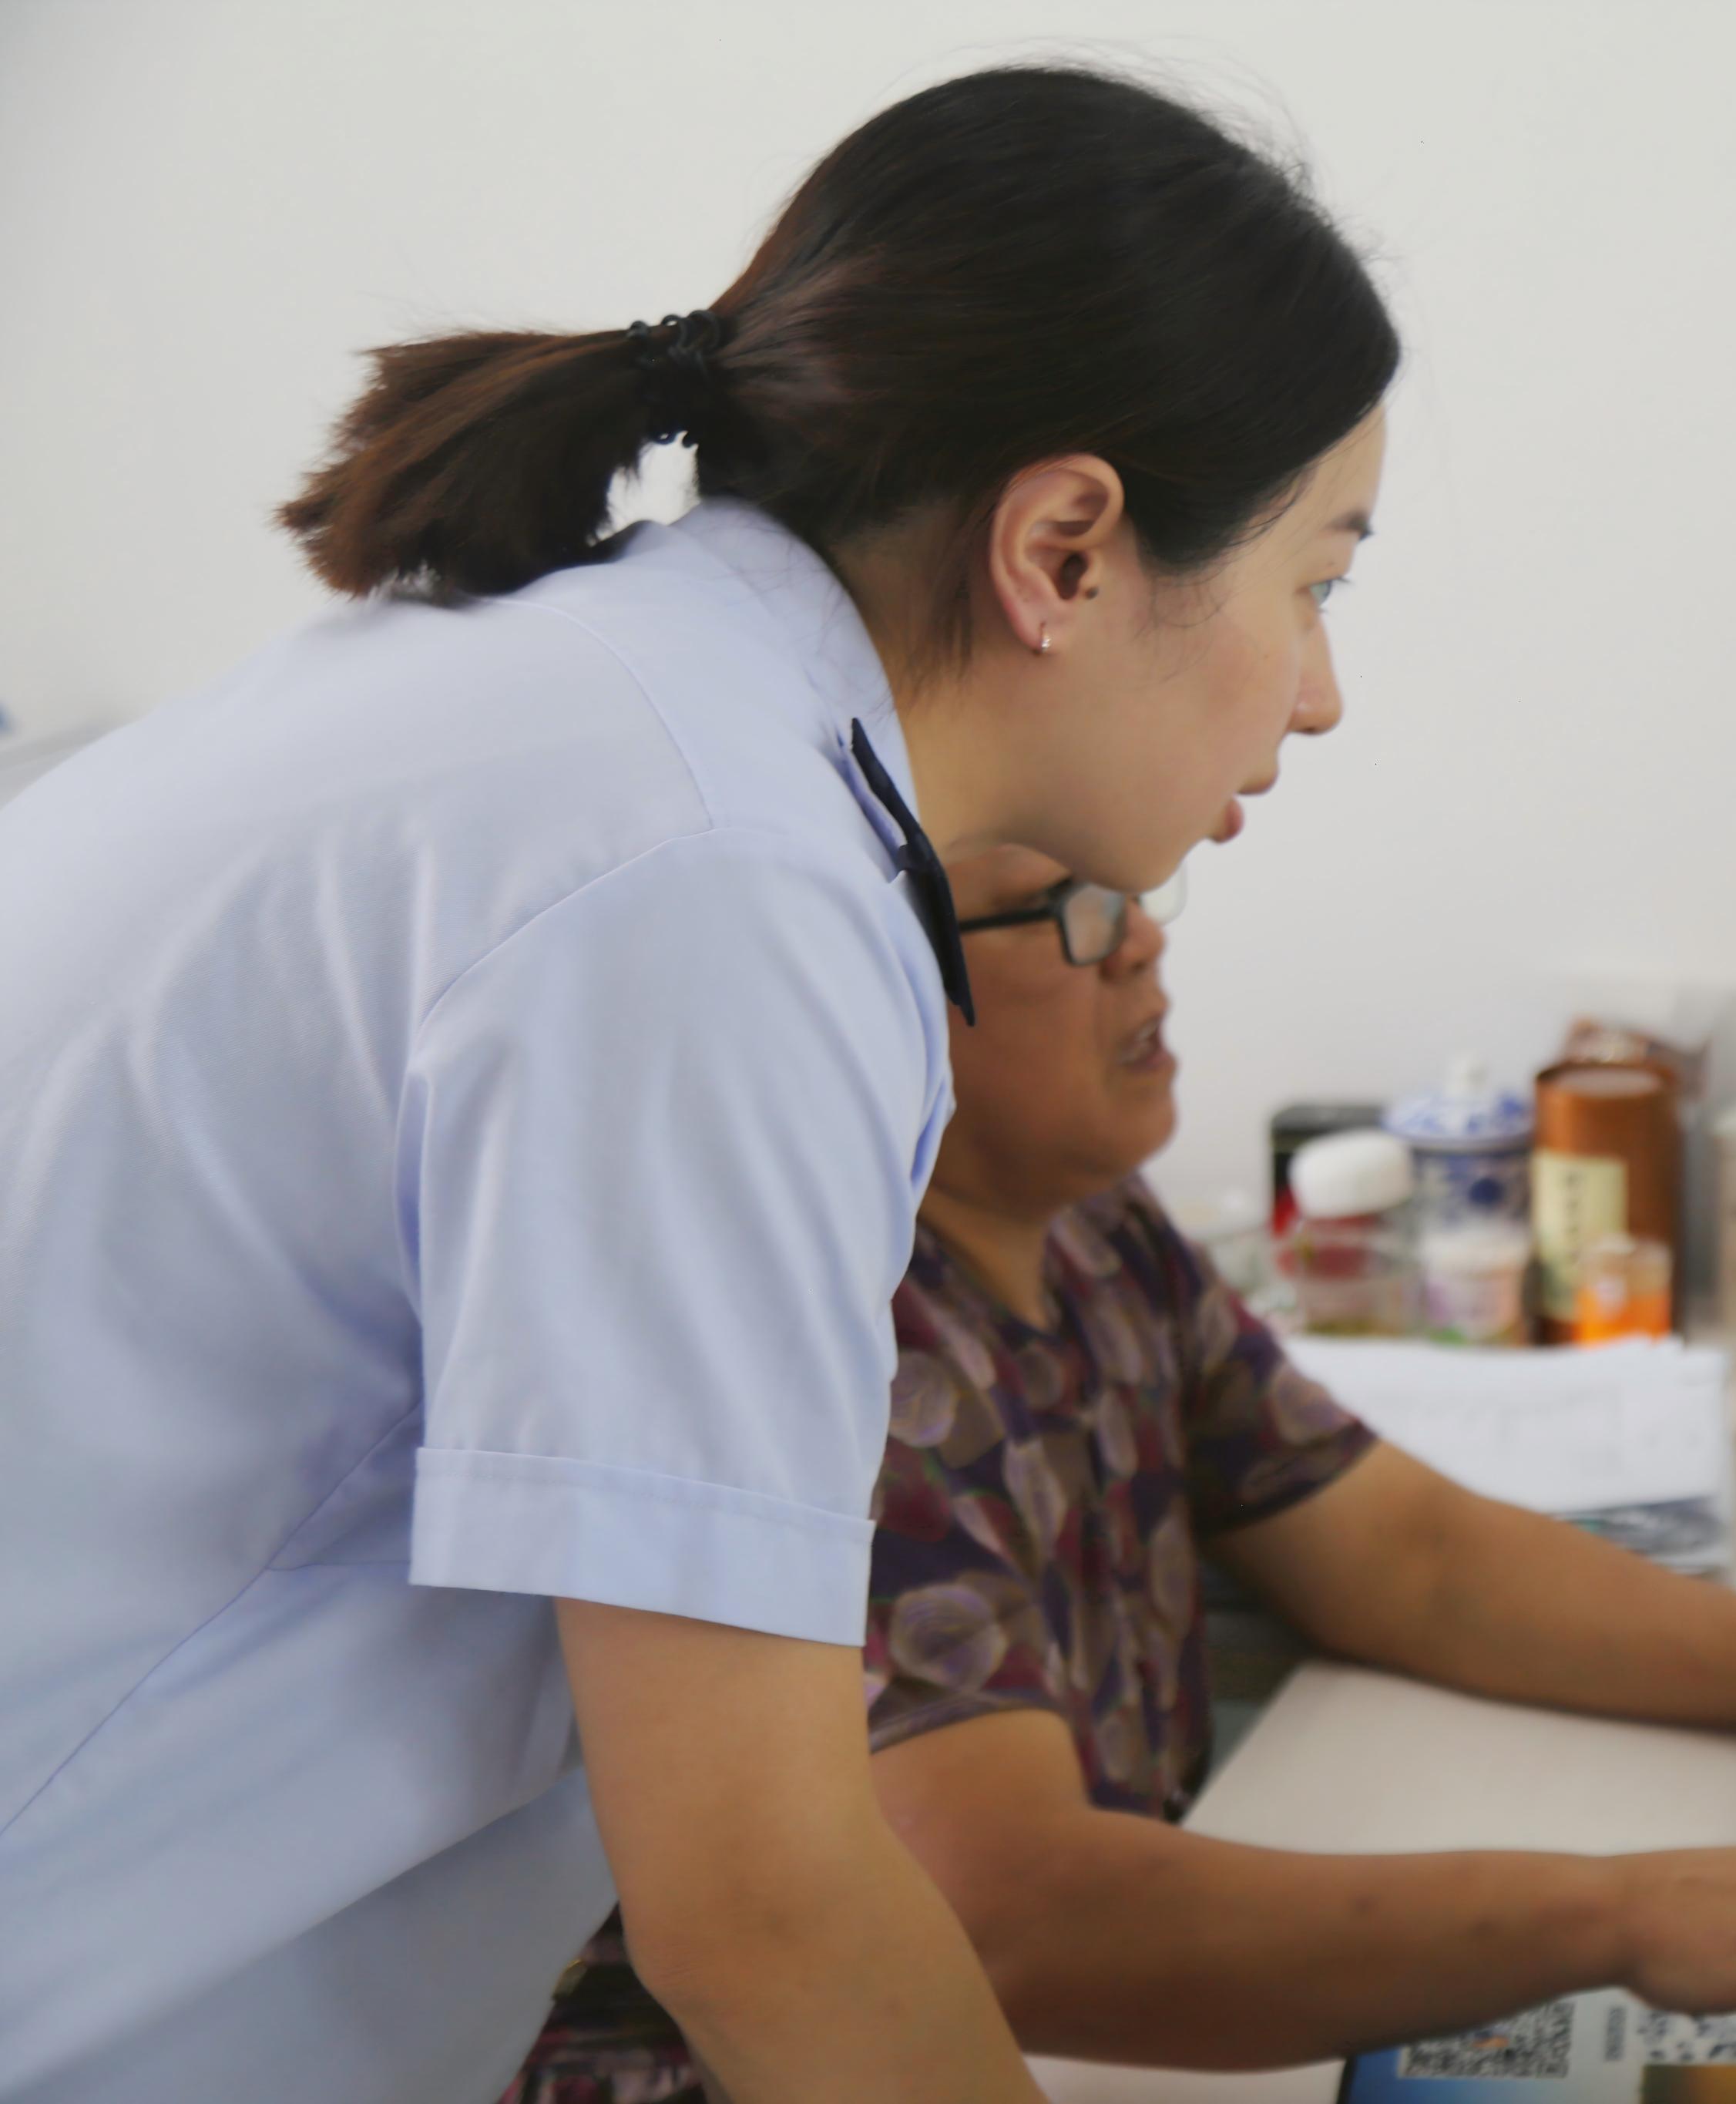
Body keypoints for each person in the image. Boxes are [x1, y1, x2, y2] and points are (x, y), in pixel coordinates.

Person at [0, 67, 1397, 2104]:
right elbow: (762, 1909)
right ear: (1066, 549)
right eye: (1318, 582)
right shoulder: (714, 874)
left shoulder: (609, 717)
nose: (1321, 690)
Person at [506, 851, 1736, 2099]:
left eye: (1133, 891)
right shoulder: (839, 1351)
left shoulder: (1089, 1229)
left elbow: (1405, 1554)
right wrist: (1620, 1915)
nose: (1143, 939)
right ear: (866, 987)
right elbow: (1010, 1915)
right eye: (1071, 910)